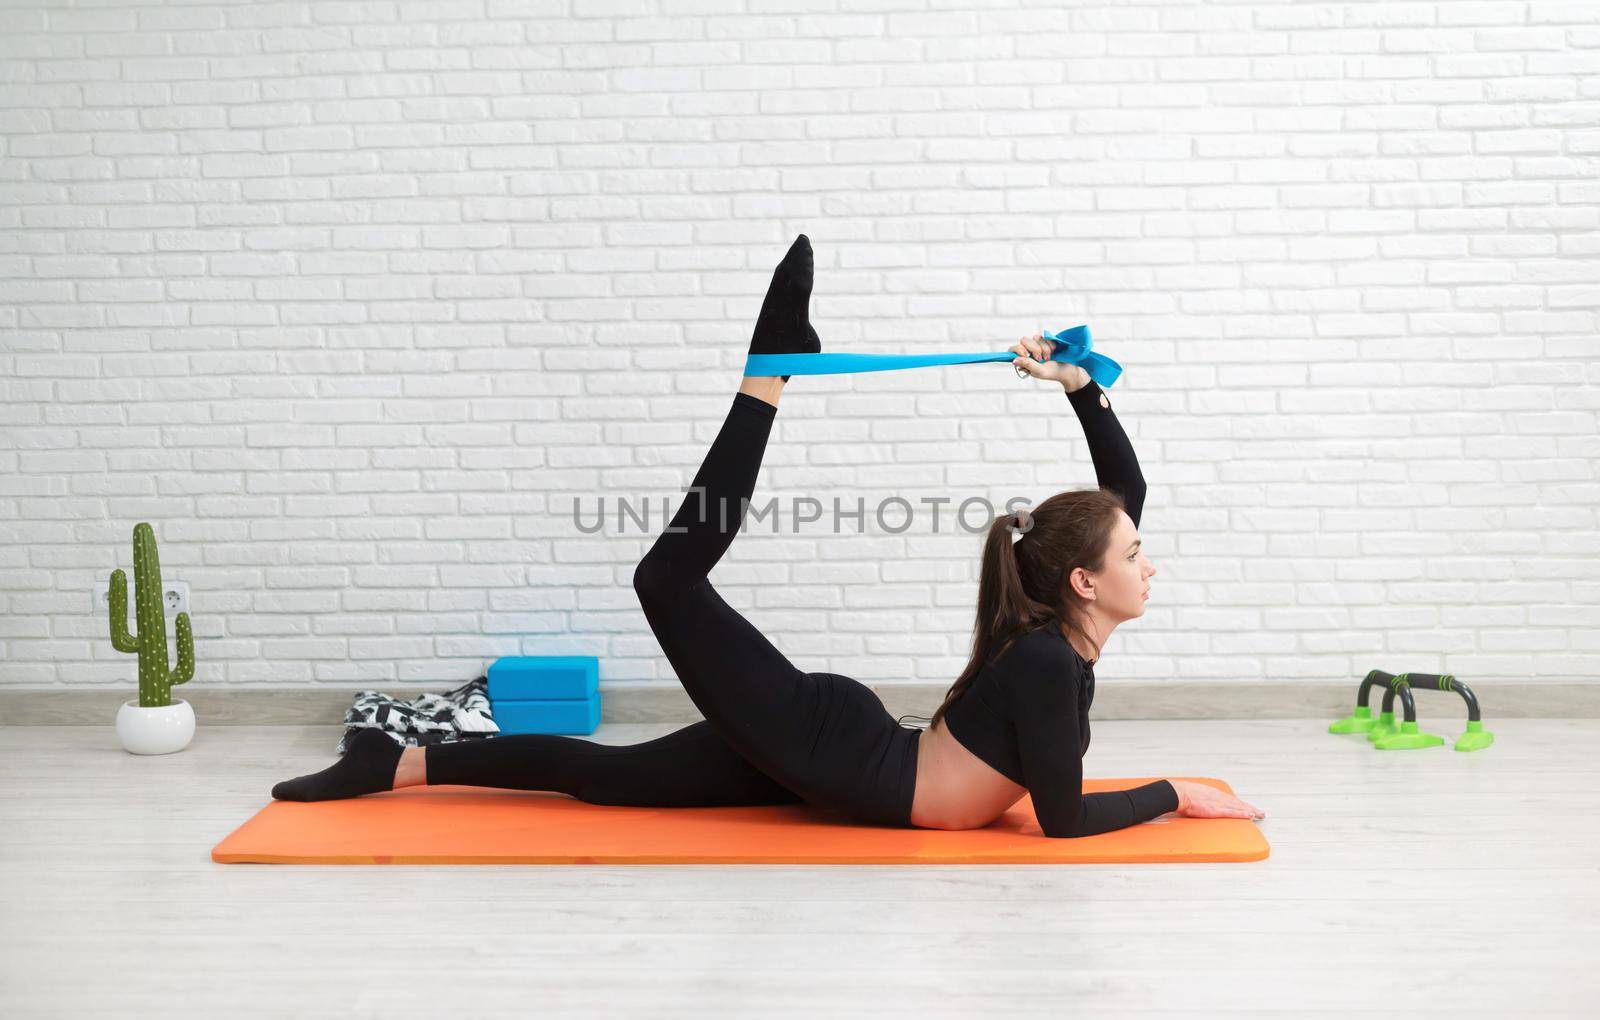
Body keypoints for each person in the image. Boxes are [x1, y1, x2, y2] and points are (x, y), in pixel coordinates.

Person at [272, 233, 1265, 836]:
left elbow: (1118, 493)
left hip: (836, 757)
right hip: (830, 749)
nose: (1147, 558)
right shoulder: (1050, 659)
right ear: (1085, 583)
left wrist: (1083, 389)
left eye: (1135, 547)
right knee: (664, 580)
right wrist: (1174, 792)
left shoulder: (1055, 630)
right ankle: (768, 376)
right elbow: (1060, 823)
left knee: (604, 776)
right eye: (1133, 553)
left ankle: (389, 762)